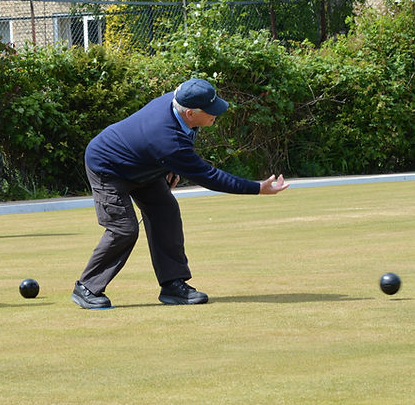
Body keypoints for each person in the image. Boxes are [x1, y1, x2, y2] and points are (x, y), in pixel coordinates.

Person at [73, 78, 289, 310]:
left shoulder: (180, 103)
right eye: (210, 111)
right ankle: (86, 288)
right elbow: (208, 176)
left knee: (166, 212)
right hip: (107, 167)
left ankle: (172, 285)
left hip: (142, 164)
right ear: (190, 113)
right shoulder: (167, 139)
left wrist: (170, 167)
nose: (216, 114)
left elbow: (168, 146)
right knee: (124, 229)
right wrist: (257, 188)